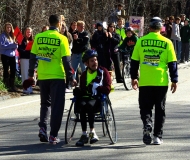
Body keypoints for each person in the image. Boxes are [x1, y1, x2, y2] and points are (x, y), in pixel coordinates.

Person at [28, 14, 77, 144]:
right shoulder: (62, 38)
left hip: (43, 76)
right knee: (57, 106)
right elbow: (67, 60)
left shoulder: (38, 37)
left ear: (48, 23)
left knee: (45, 104)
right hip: (57, 76)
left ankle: (43, 128)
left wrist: (30, 75)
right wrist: (71, 77)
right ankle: (53, 135)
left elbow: (32, 58)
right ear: (59, 24)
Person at [130, 17, 178, 145]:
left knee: (145, 107)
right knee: (160, 109)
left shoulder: (141, 41)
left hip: (145, 81)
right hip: (160, 81)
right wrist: (174, 80)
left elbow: (134, 62)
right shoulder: (167, 42)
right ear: (161, 28)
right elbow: (172, 63)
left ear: (149, 27)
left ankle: (147, 123)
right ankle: (157, 136)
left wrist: (134, 78)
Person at [73, 49, 111, 146]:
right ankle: (84, 134)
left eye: (95, 60)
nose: (95, 63)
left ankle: (93, 132)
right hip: (85, 98)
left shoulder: (103, 72)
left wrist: (98, 87)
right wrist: (78, 90)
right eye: (92, 61)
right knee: (81, 105)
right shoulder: (84, 75)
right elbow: (82, 90)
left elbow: (107, 89)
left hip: (97, 98)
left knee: (89, 105)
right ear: (86, 63)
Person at [0, 22, 18, 92]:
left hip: (12, 55)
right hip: (5, 56)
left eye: (10, 27)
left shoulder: (12, 36)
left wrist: (16, 45)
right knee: (6, 70)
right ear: (5, 28)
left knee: (13, 70)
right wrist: (12, 46)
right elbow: (1, 46)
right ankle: (6, 85)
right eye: (7, 27)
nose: (9, 29)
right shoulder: (2, 36)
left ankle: (12, 85)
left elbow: (15, 46)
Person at [18, 26, 33, 94]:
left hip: (30, 58)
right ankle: (25, 88)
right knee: (24, 74)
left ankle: (29, 87)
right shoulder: (22, 39)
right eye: (27, 32)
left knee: (29, 74)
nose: (28, 33)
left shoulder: (32, 40)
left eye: (30, 32)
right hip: (24, 58)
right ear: (25, 32)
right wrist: (26, 51)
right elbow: (19, 49)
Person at [60, 22, 73, 92]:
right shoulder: (58, 35)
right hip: (60, 55)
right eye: (61, 28)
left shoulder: (68, 35)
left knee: (67, 69)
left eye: (64, 28)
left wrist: (68, 47)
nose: (62, 29)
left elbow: (71, 45)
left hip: (67, 54)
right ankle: (62, 85)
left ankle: (68, 85)